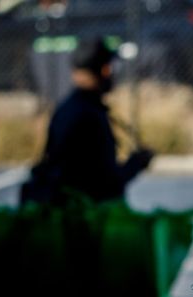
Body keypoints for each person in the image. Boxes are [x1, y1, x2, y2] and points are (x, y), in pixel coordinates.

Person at [20, 36, 153, 206]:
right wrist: (136, 164)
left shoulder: (67, 108)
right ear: (104, 70)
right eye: (109, 67)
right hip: (82, 215)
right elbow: (104, 185)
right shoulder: (90, 116)